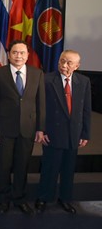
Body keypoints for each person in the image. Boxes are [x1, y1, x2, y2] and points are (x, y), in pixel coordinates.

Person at [35, 50, 91, 214]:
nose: (64, 65)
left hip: (73, 133)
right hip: (52, 132)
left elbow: (86, 109)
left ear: (77, 66)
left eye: (69, 63)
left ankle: (65, 198)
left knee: (68, 170)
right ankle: (44, 197)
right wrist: (41, 129)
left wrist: (85, 133)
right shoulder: (46, 80)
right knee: (49, 168)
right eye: (62, 61)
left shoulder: (84, 81)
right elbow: (40, 108)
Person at [0, 40, 45, 215]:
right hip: (5, 126)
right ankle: (4, 199)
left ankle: (20, 198)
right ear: (8, 54)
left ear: (28, 55)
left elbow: (41, 104)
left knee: (23, 164)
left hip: (28, 127)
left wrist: (40, 128)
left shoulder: (37, 74)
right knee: (4, 165)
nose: (18, 56)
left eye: (22, 53)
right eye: (15, 52)